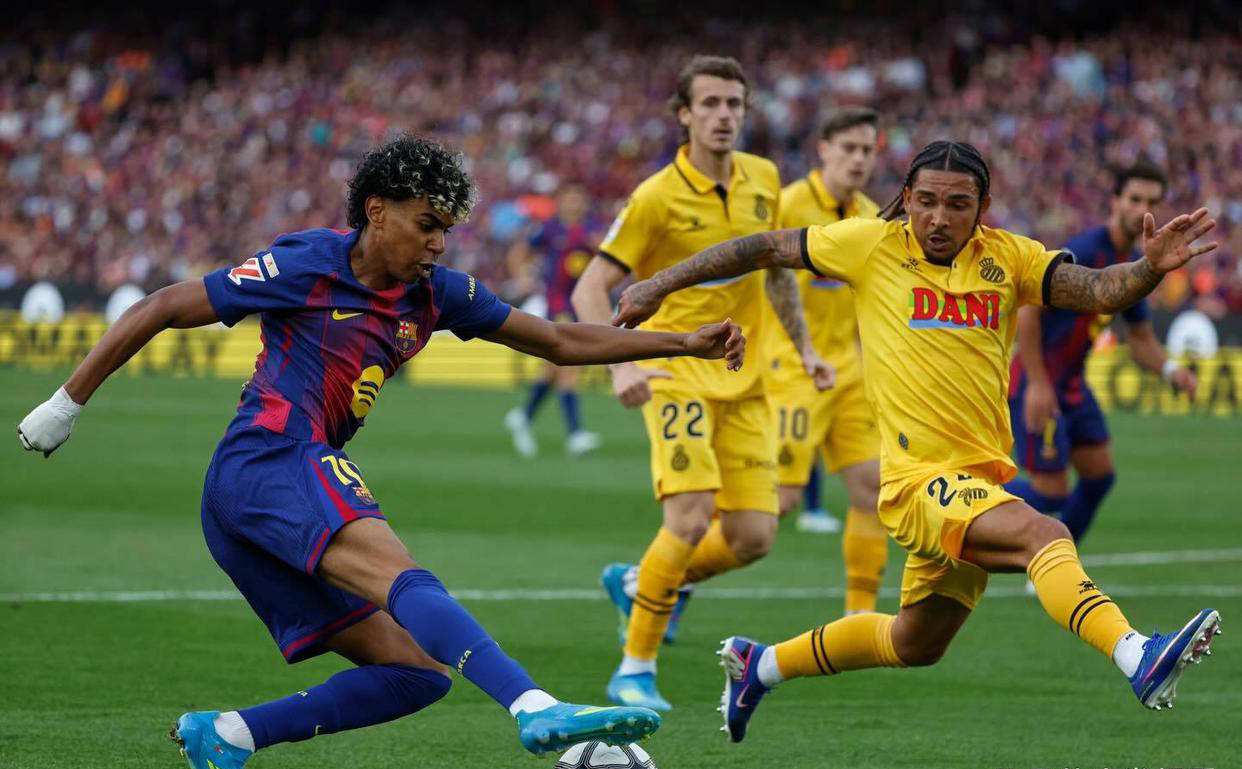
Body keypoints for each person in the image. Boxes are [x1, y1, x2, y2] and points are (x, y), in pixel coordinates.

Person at [15, 134, 750, 767]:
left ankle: (228, 734)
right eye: (427, 225)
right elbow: (161, 306)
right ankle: (533, 705)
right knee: (401, 572)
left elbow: (558, 339)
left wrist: (683, 342)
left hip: (269, 495)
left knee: (418, 672)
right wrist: (65, 404)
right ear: (376, 211)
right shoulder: (306, 264)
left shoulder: (438, 295)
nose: (438, 244)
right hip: (268, 458)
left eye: (446, 230)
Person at [612, 140, 1222, 742]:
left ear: (982, 208)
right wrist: (660, 283)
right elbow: (765, 246)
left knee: (915, 643)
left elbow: (1098, 289)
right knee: (1045, 534)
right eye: (926, 201)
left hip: (976, 482)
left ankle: (760, 666)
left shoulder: (1010, 258)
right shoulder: (869, 245)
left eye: (957, 205)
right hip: (916, 482)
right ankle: (1137, 653)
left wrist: (1148, 268)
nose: (938, 218)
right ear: (905, 199)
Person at [572, 55, 829, 710]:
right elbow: (590, 287)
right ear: (684, 115)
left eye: (734, 104)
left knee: (753, 536)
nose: (723, 115)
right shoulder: (656, 196)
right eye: (710, 103)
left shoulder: (764, 178)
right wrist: (622, 364)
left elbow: (775, 270)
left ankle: (641, 581)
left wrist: (805, 350)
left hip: (746, 378)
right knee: (687, 518)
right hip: (677, 372)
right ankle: (634, 669)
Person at [1006, 162, 1197, 542]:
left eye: (1152, 202)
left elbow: (1140, 338)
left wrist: (1171, 371)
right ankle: (963, 500)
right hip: (1036, 379)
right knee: (1051, 492)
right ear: (1115, 201)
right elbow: (1029, 310)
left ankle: (1061, 558)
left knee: (1099, 476)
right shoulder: (1085, 250)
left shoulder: (1135, 267)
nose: (1142, 209)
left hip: (1073, 386)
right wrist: (1038, 384)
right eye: (1134, 199)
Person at [764, 106, 888, 614]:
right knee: (777, 503)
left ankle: (859, 617)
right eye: (849, 149)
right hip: (790, 367)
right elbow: (761, 279)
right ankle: (663, 583)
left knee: (874, 489)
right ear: (824, 150)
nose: (858, 159)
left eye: (867, 150)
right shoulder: (789, 203)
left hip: (849, 370)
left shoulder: (874, 216)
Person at [504, 182, 605, 458]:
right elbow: (520, 252)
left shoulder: (592, 229)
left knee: (552, 369)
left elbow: (609, 257)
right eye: (570, 197)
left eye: (579, 197)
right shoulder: (549, 228)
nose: (575, 202)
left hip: (581, 303)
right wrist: (522, 278)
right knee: (569, 364)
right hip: (558, 303)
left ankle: (524, 415)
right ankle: (575, 434)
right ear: (560, 201)